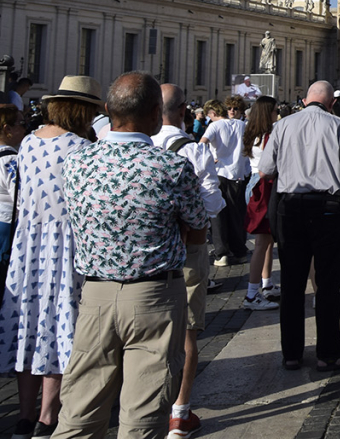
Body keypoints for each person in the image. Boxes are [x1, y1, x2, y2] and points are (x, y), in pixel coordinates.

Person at [57, 72, 208, 439]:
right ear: (156, 113)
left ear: (109, 110)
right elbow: (198, 231)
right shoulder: (171, 166)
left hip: (95, 295)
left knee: (79, 412)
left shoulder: (76, 163)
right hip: (154, 295)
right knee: (143, 415)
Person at [0, 76, 100, 439]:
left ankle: (24, 417)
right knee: (59, 327)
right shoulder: (82, 149)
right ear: (83, 111)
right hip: (65, 246)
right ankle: (47, 416)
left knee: (27, 326)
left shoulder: (27, 142)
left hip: (28, 246)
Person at [258, 81, 340, 371]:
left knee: (292, 282)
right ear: (331, 103)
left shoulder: (282, 126)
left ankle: (291, 354)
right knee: (328, 283)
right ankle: (328, 353)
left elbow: (265, 171)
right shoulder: (339, 125)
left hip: (291, 208)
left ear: (305, 101)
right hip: (328, 209)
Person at [152, 84, 224, 439]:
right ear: (183, 110)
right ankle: (179, 414)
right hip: (186, 249)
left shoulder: (134, 146)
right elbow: (212, 205)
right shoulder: (192, 151)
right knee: (187, 332)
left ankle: (145, 407)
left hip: (145, 254)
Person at [241, 96, 281, 310]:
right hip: (264, 186)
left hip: (255, 183)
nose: (278, 113)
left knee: (266, 241)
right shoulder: (269, 135)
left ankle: (266, 283)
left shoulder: (251, 132)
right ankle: (251, 294)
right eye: (275, 110)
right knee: (261, 243)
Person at [201, 96, 250, 266]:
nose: (232, 111)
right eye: (230, 108)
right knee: (237, 215)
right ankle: (239, 251)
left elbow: (201, 144)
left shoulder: (215, 126)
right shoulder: (243, 125)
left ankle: (222, 253)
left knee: (219, 216)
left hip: (220, 173)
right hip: (239, 174)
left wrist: (209, 158)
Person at [0, 105, 24, 288]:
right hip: (6, 227)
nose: (24, 129)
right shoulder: (10, 160)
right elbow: (20, 199)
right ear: (7, 128)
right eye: (21, 123)